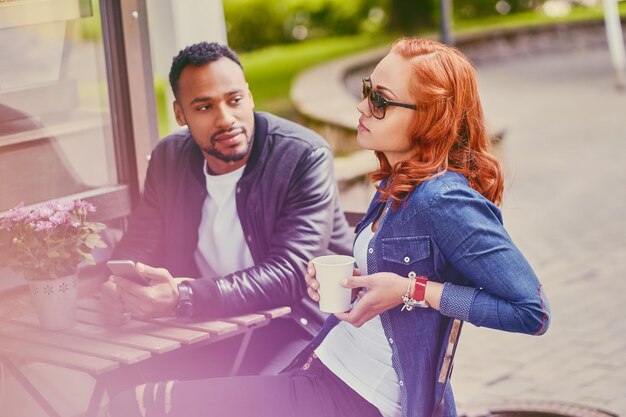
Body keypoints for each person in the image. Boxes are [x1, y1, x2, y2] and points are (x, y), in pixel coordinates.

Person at [107, 37, 550, 417]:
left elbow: (531, 311)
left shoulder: (443, 200)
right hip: (323, 366)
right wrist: (345, 282)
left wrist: (411, 290)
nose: (361, 106)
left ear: (427, 118)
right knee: (136, 395)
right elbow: (388, 283)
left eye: (380, 100)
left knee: (138, 403)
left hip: (356, 395)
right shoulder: (398, 181)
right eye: (366, 90)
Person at [101, 42, 352, 376]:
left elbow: (292, 273)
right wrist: (120, 286)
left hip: (298, 326)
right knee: (126, 386)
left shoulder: (302, 156)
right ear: (180, 114)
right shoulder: (169, 158)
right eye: (204, 107)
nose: (226, 119)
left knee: (245, 402)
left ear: (249, 96)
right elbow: (142, 241)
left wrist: (184, 296)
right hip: (207, 328)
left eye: (234, 100)